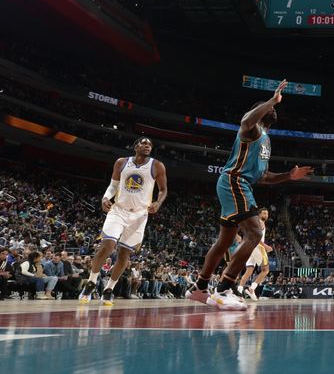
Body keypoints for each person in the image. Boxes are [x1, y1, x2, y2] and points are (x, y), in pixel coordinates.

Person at [186, 80, 312, 310]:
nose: (273, 109)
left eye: (273, 107)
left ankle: (199, 287)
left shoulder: (266, 140)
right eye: (269, 107)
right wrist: (271, 100)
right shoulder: (251, 129)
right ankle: (223, 288)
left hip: (239, 184)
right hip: (235, 181)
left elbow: (263, 177)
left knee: (225, 241)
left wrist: (288, 176)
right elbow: (245, 119)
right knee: (255, 232)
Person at [79, 137, 168, 307]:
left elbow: (163, 190)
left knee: (124, 255)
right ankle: (91, 283)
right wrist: (105, 197)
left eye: (150, 144)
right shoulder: (121, 162)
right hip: (118, 210)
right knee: (107, 245)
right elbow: (113, 186)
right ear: (136, 146)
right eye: (144, 143)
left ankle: (109, 289)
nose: (148, 146)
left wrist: (158, 202)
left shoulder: (157, 165)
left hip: (140, 215)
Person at [236, 208, 273, 300]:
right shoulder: (260, 222)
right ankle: (252, 288)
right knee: (265, 270)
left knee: (249, 270)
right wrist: (265, 246)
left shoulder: (254, 222)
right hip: (257, 247)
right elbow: (255, 237)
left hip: (249, 247)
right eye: (264, 213)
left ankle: (239, 291)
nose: (266, 215)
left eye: (267, 214)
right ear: (259, 214)